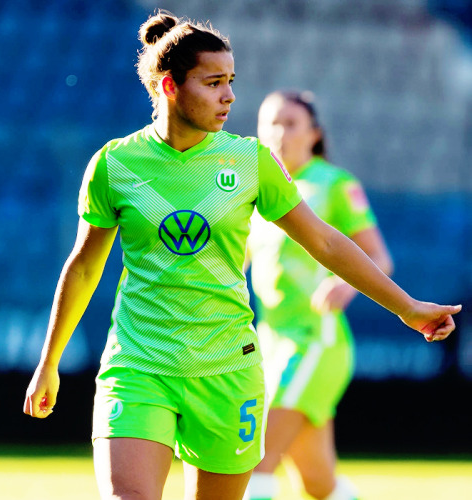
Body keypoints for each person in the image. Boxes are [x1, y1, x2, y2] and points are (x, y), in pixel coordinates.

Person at [23, 10, 460, 500]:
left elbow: (326, 242)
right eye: (213, 83)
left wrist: (408, 307)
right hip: (139, 366)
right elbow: (84, 266)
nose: (229, 96)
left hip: (229, 371)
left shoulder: (251, 161)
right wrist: (50, 361)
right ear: (169, 86)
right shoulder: (115, 164)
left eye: (230, 81)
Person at [245, 90, 393, 500]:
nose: (278, 133)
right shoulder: (256, 192)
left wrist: (346, 284)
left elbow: (380, 256)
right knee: (318, 484)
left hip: (315, 342)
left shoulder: (333, 184)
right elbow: (238, 262)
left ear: (314, 134)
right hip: (271, 341)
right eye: (269, 124)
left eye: (290, 123)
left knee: (254, 459)